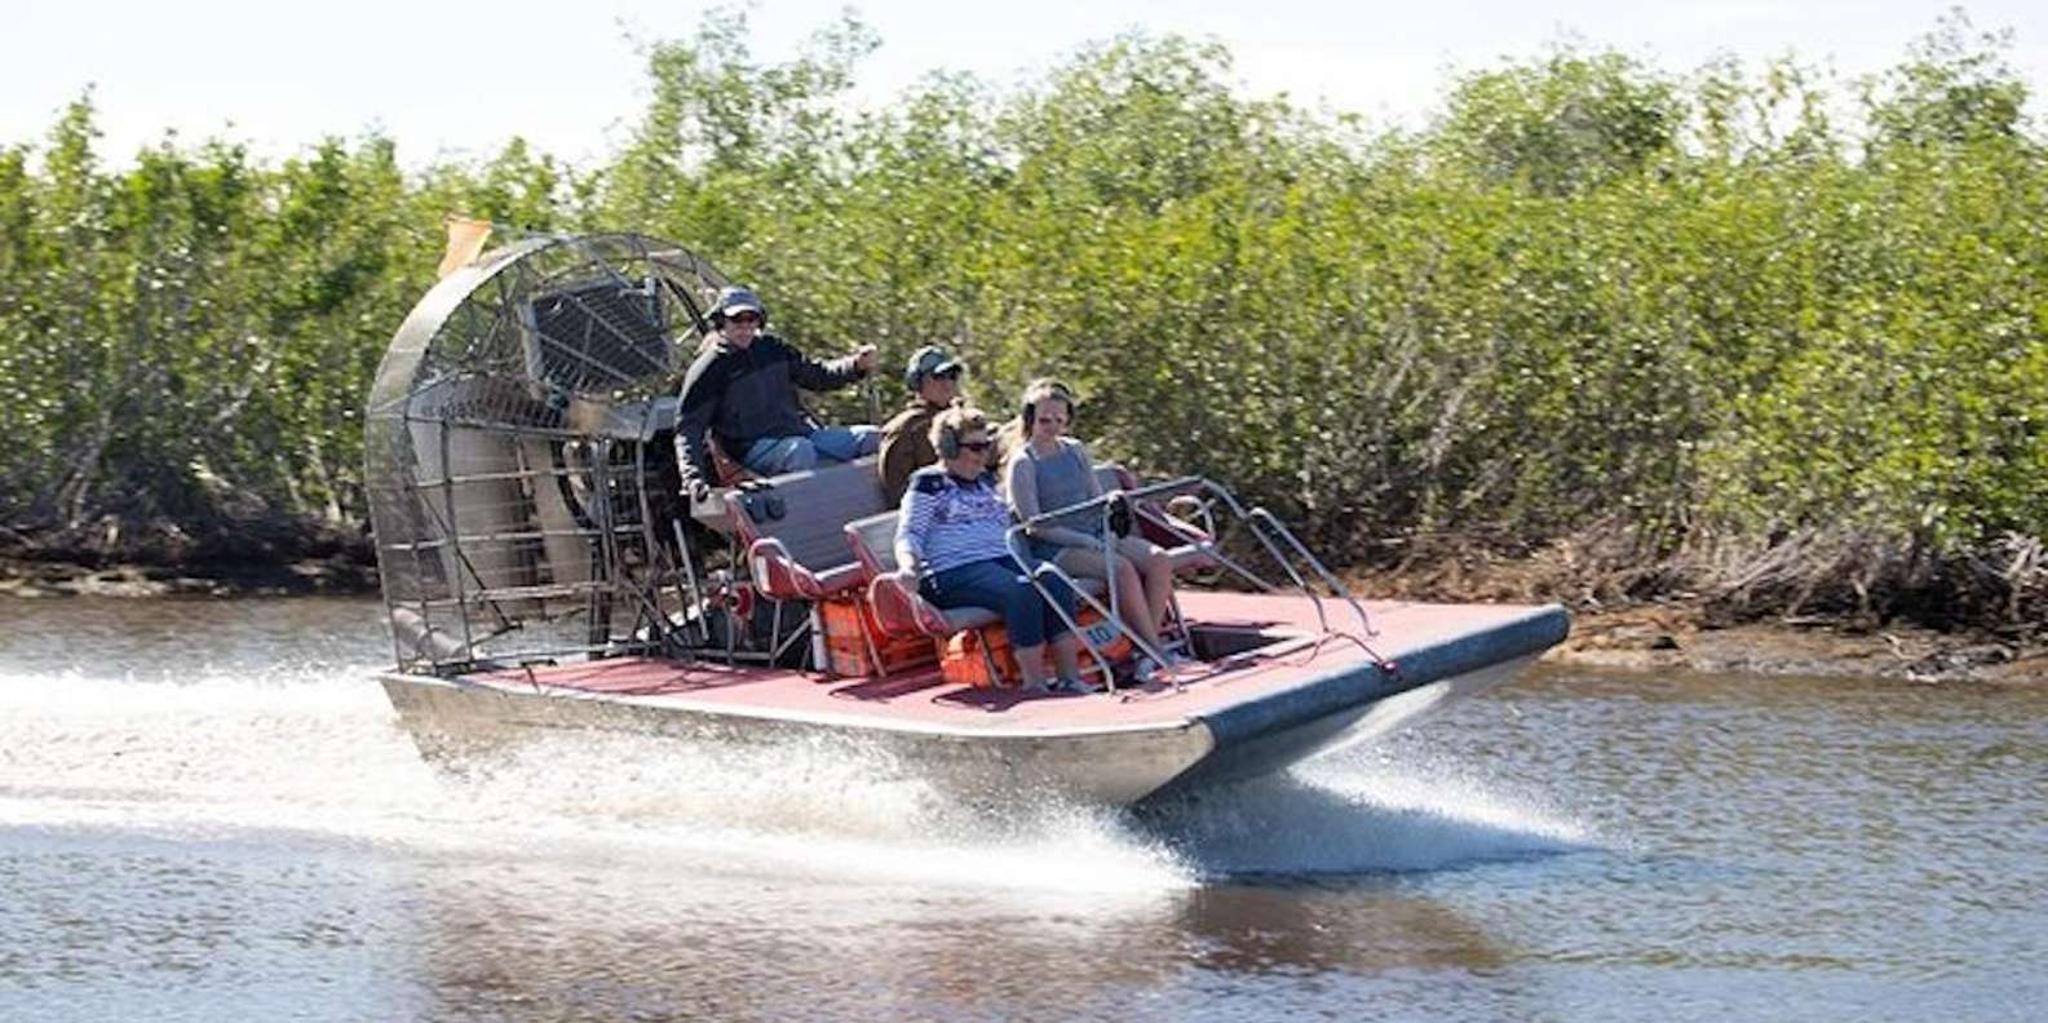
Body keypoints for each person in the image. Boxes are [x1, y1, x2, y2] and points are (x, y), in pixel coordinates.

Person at [894, 403, 1094, 695]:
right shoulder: (928, 483)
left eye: (986, 446)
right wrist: (908, 566)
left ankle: (1070, 679)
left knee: (1052, 578)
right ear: (949, 448)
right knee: (1021, 589)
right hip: (955, 571)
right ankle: (1035, 685)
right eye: (975, 448)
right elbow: (909, 531)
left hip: (1002, 561)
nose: (983, 455)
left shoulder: (985, 483)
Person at [1001, 379, 1181, 678]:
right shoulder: (1023, 463)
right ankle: (1153, 650)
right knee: (1121, 569)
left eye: (1059, 420)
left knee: (1158, 559)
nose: (1052, 426)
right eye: (1045, 420)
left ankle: (1144, 647)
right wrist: (1081, 540)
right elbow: (1034, 525)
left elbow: (1096, 498)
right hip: (1057, 546)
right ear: (1030, 418)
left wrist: (1107, 528)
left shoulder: (1075, 450)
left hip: (1094, 535)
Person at [672, 285, 881, 503]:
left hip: (801, 434)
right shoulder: (709, 368)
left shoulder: (773, 349)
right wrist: (693, 478)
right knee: (801, 452)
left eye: (751, 319)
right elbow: (688, 428)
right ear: (721, 322)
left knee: (871, 438)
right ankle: (823, 513)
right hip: (753, 448)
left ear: (759, 321)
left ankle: (876, 507)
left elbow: (818, 376)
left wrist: (855, 365)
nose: (745, 327)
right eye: (736, 320)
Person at [877, 345, 966, 505]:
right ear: (918, 383)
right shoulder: (906, 428)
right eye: (938, 377)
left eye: (952, 376)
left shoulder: (963, 418)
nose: (947, 383)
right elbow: (897, 490)